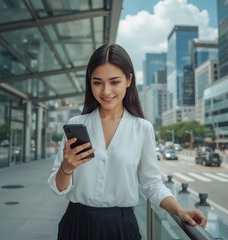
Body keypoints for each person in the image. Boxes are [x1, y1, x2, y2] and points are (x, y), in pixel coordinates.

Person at [48, 44, 206, 240]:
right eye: (98, 83)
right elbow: (58, 188)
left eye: (114, 82)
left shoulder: (143, 128)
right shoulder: (76, 125)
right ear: (90, 83)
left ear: (129, 80)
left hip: (121, 228)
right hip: (76, 225)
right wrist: (66, 167)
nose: (106, 91)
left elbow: (152, 184)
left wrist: (179, 211)